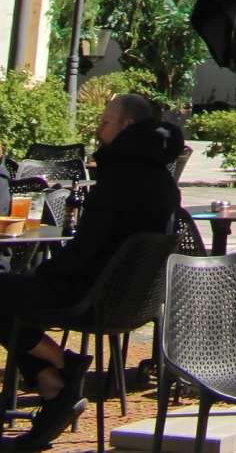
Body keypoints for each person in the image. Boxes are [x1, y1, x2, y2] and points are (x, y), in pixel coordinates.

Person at [0, 91, 183, 447]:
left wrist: (43, 273)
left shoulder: (121, 176)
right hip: (131, 299)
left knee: (4, 294)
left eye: (104, 122)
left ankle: (64, 366)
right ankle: (54, 385)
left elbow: (87, 248)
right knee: (7, 295)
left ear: (127, 126)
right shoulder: (160, 176)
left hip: (94, 295)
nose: (99, 130)